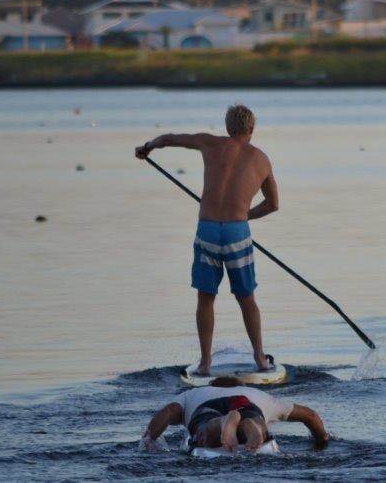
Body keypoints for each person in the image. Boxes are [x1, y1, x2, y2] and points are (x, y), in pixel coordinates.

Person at [135, 104, 279, 373]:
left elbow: (168, 139)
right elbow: (273, 204)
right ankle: (259, 358)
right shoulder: (262, 159)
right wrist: (243, 216)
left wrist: (147, 147)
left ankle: (205, 362)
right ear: (252, 129)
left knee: (205, 297)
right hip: (237, 232)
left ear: (227, 127)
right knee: (246, 298)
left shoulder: (209, 143)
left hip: (208, 230)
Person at [141, 381, 329, 453]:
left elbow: (167, 413)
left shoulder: (193, 393)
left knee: (204, 429)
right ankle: (251, 426)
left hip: (205, 407)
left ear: (213, 383)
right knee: (255, 420)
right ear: (240, 383)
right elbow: (310, 415)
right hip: (246, 403)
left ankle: (221, 423)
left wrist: (149, 439)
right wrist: (322, 439)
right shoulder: (257, 393)